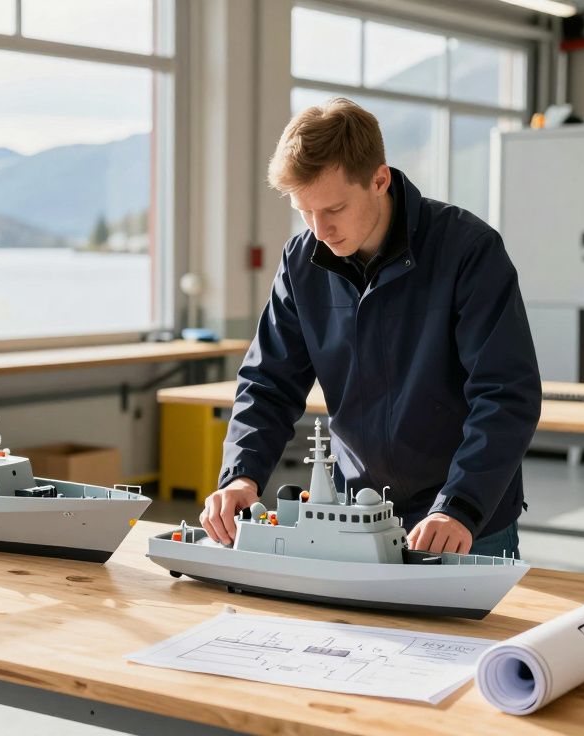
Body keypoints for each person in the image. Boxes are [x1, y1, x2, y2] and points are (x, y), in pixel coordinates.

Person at [200, 97, 541, 559]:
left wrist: (459, 505)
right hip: (354, 517)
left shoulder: (469, 251)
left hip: (463, 522)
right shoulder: (302, 262)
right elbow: (268, 382)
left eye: (334, 209)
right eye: (305, 211)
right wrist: (242, 475)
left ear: (380, 179)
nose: (319, 231)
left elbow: (505, 394)